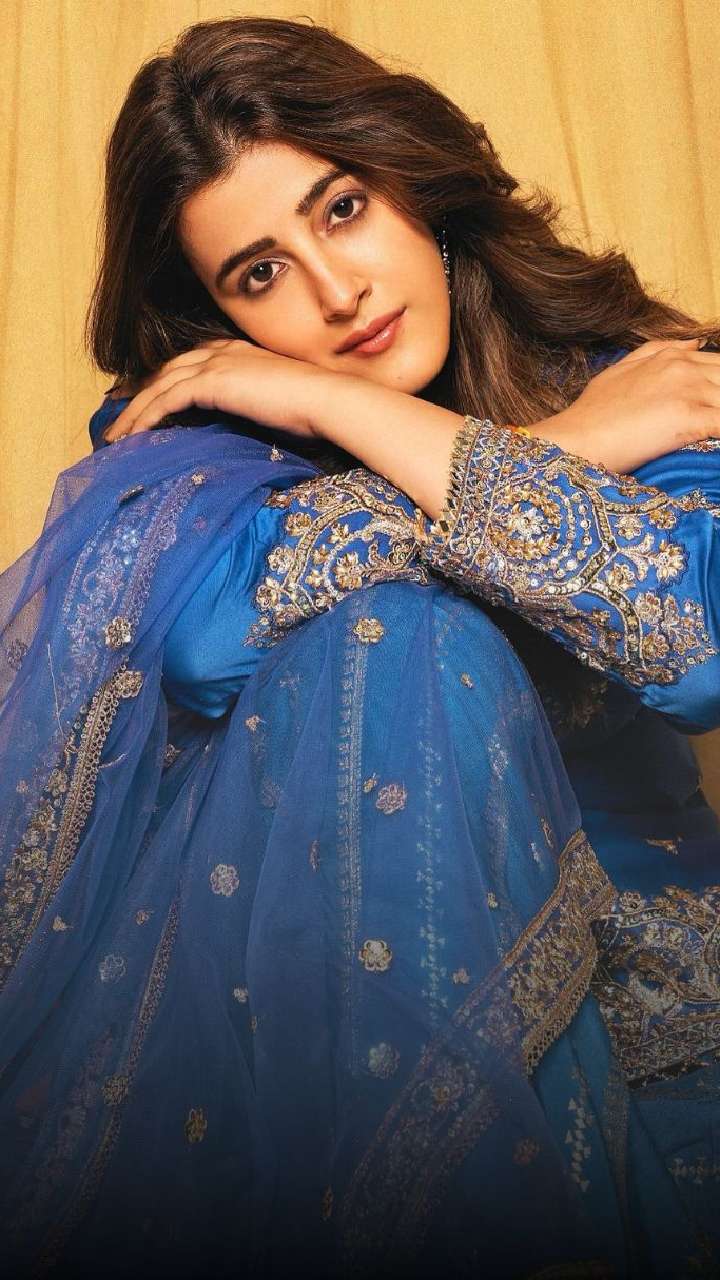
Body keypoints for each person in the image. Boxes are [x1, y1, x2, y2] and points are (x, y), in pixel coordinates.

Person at [1, 14, 719, 1278]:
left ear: (413, 178)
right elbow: (210, 641)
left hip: (655, 1009)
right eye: (259, 274)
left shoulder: (639, 378)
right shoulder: (215, 436)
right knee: (394, 634)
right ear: (216, 319)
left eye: (342, 209)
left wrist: (377, 412)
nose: (337, 293)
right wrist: (537, 447)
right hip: (321, 1041)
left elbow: (698, 644)